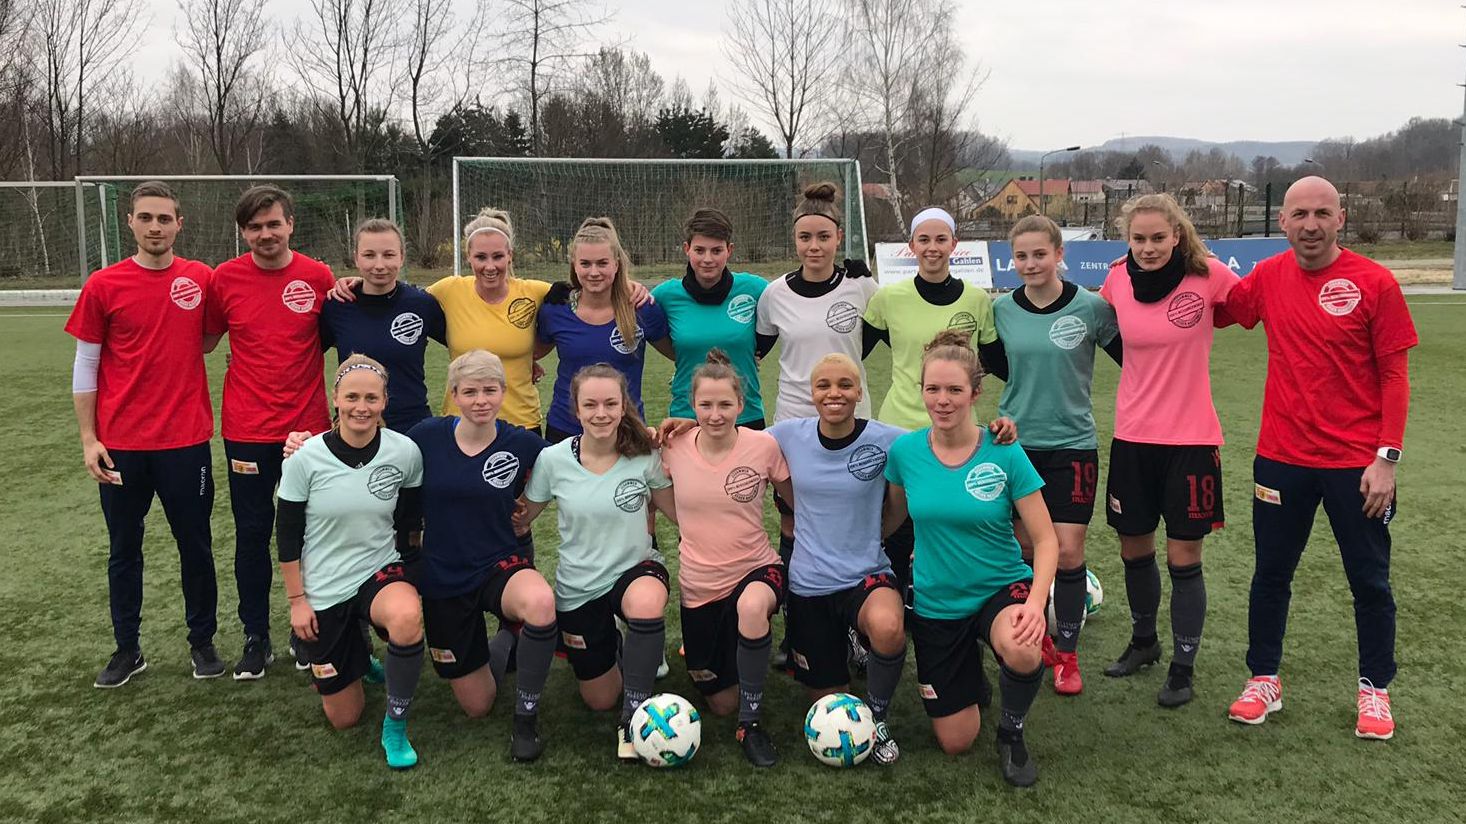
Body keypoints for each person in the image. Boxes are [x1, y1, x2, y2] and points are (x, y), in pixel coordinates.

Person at [1217, 176, 1417, 740]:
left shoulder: (1374, 281)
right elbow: (1217, 309)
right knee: (1271, 574)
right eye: (1299, 213)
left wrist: (1387, 459)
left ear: (1341, 218)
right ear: (1281, 221)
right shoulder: (1268, 278)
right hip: (1281, 458)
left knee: (1370, 581)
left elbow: (1395, 375)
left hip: (1359, 467)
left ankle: (1375, 689)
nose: (1310, 224)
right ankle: (1263, 679)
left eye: (1321, 213)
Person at [882, 330, 1056, 787]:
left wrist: (1036, 604)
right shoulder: (905, 452)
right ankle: (972, 679)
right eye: (932, 389)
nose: (942, 400)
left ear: (975, 393)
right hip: (938, 602)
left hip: (1000, 586)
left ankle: (1011, 734)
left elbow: (1046, 538)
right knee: (956, 740)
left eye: (954, 390)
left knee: (1021, 645)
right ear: (920, 391)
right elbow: (892, 520)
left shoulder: (1003, 450)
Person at [66, 180, 222, 687]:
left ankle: (202, 643)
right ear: (129, 223)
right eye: (146, 218)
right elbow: (85, 366)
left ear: (180, 224)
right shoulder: (103, 285)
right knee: (123, 549)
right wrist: (90, 439)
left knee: (195, 546)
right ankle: (127, 649)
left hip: (186, 442)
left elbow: (206, 341)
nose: (155, 226)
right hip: (121, 446)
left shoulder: (200, 278)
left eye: (164, 218)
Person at [1097, 193, 1238, 708]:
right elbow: (1105, 329)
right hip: (1133, 437)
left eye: (1159, 238)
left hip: (1192, 441)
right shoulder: (1115, 280)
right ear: (1127, 241)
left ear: (1177, 235)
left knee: (1184, 556)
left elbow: (1248, 309)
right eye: (1139, 239)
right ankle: (1144, 643)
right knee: (1133, 547)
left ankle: (1183, 666)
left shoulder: (1210, 276)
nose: (1150, 248)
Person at [986, 215, 1122, 695]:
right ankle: (1035, 636)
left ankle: (1067, 654)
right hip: (1014, 447)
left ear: (1059, 254)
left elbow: (1135, 358)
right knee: (1024, 550)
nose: (1029, 264)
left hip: (1073, 445)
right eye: (1020, 256)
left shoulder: (1092, 308)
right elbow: (992, 365)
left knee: (1066, 550)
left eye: (1039, 254)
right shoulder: (1001, 310)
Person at [204, 184, 335, 680]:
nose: (265, 234)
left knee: (312, 535)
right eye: (254, 227)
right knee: (253, 534)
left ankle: (310, 633)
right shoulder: (225, 280)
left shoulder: (317, 276)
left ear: (290, 225)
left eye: (272, 224)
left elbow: (338, 331)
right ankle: (255, 637)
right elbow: (203, 340)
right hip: (247, 429)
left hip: (310, 430)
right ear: (243, 233)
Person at [516, 364, 677, 760]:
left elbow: (684, 514)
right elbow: (523, 517)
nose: (600, 413)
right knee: (599, 698)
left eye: (610, 403)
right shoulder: (553, 460)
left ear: (624, 406)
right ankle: (624, 650)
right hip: (579, 586)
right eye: (591, 404)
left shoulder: (645, 456)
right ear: (576, 410)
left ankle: (634, 715)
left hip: (635, 569)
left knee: (645, 603)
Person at [275, 355, 426, 769]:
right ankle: (360, 657)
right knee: (344, 718)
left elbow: (409, 525)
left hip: (380, 569)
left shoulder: (405, 452)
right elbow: (287, 536)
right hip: (324, 586)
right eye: (353, 397)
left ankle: (395, 725)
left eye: (372, 398)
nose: (362, 406)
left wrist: (411, 578)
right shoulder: (304, 458)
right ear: (335, 399)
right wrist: (297, 601)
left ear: (384, 402)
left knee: (407, 616)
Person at [407, 350, 557, 762]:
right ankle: (508, 639)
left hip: (499, 564)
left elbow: (575, 461)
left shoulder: (523, 442)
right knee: (478, 706)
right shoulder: (426, 436)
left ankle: (526, 720)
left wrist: (529, 510)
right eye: (469, 391)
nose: (480, 400)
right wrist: (304, 442)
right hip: (443, 575)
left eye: (490, 390)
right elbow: (374, 448)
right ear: (453, 394)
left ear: (503, 392)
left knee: (541, 603)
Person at [768, 354, 907, 764]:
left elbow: (944, 440)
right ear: (811, 394)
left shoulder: (888, 439)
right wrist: (683, 425)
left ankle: (878, 717)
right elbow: (729, 436)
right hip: (809, 583)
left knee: (888, 627)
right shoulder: (789, 435)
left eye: (845, 384)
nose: (835, 393)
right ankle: (845, 641)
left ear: (859, 391)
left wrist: (997, 433)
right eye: (824, 385)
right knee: (828, 702)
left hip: (867, 574)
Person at [659, 350, 794, 766]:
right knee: (719, 700)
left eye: (724, 404)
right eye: (705, 405)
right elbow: (644, 474)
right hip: (700, 584)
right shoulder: (673, 444)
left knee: (752, 607)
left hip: (756, 567)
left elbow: (794, 500)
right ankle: (729, 664)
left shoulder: (763, 445)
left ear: (741, 404)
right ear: (691, 405)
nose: (715, 414)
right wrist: (685, 521)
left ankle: (750, 725)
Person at [755, 182, 878, 629]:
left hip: (852, 422)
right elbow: (757, 350)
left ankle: (856, 622)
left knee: (854, 518)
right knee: (794, 522)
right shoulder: (775, 295)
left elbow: (882, 335)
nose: (814, 246)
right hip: (795, 424)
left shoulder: (862, 286)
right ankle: (800, 623)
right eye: (805, 237)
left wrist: (842, 383)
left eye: (823, 237)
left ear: (838, 238)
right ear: (795, 240)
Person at [863, 207, 1001, 601]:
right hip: (899, 426)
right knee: (897, 521)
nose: (933, 248)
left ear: (954, 245)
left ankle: (952, 596)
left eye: (941, 239)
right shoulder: (889, 298)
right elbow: (852, 349)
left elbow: (992, 361)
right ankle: (893, 597)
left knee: (952, 517)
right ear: (911, 246)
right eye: (924, 240)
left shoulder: (977, 300)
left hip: (958, 430)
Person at [535, 217, 672, 443]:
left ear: (616, 264)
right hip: (566, 430)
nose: (594, 272)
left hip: (626, 430)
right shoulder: (555, 310)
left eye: (602, 263)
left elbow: (679, 354)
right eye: (586, 264)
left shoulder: (642, 308)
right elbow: (533, 350)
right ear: (574, 265)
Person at [319, 218, 447, 433]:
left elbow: (461, 342)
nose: (379, 265)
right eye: (369, 255)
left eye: (388, 255)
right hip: (354, 428)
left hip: (412, 428)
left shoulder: (422, 304)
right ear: (356, 258)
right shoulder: (337, 306)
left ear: (402, 257)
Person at [651, 208, 768, 429]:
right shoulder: (665, 295)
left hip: (745, 416)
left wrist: (849, 277)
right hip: (686, 418)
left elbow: (796, 295)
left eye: (716, 250)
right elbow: (629, 311)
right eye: (699, 250)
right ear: (687, 249)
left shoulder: (755, 289)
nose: (708, 259)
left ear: (729, 250)